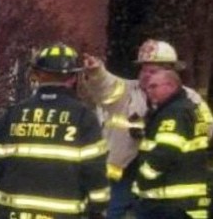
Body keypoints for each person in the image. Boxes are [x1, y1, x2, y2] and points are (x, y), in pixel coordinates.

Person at [79, 39, 213, 218]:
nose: (146, 75)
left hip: (164, 175)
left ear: (170, 73)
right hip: (121, 172)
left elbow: (206, 129)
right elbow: (106, 86)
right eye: (143, 69)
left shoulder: (190, 98)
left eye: (153, 71)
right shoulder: (126, 90)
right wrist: (97, 72)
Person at [0, 43, 109, 219]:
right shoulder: (83, 117)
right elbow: (94, 169)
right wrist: (97, 207)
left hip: (9, 212)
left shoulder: (14, 113)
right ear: (73, 78)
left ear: (38, 75)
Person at [135, 70, 208, 219]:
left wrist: (144, 177)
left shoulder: (174, 112)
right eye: (148, 87)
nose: (149, 91)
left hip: (169, 202)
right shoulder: (188, 108)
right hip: (186, 199)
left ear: (171, 86)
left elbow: (166, 151)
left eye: (154, 86)